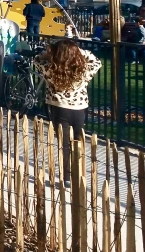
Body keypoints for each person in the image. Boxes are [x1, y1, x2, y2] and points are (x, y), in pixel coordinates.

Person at [34, 39, 101, 182]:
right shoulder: (83, 71)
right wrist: (79, 51)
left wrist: (46, 54)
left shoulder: (50, 69)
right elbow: (96, 62)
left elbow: (37, 60)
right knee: (77, 141)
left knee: (64, 144)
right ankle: (78, 173)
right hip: (79, 109)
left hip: (59, 109)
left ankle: (66, 177)